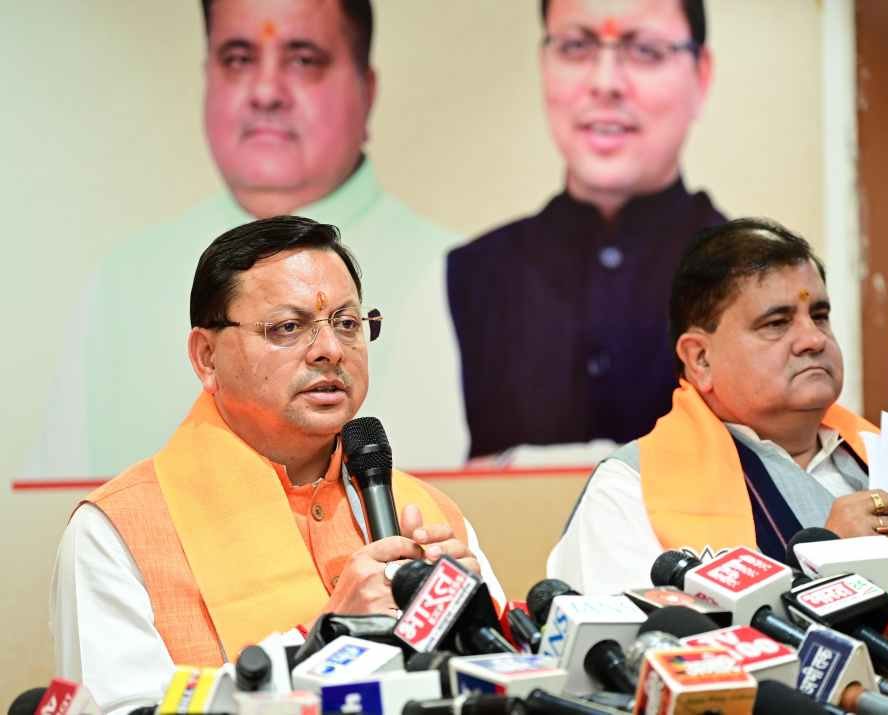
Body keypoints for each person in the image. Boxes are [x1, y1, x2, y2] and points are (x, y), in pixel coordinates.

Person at [50, 216, 503, 714]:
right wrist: (326, 643)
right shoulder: (119, 532)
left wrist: (471, 631)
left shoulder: (426, 512)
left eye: (347, 323)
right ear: (206, 357)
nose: (330, 350)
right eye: (288, 327)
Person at [23, 0, 465, 482]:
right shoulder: (120, 281)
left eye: (303, 60)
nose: (266, 93)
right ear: (205, 356)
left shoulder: (466, 277)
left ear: (368, 89)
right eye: (237, 59)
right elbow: (45, 505)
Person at [547, 218, 888, 594]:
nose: (812, 339)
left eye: (819, 315)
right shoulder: (631, 487)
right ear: (700, 359)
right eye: (777, 323)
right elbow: (636, 657)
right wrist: (823, 563)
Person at [448, 0, 724, 460]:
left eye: (646, 50)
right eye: (576, 46)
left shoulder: (748, 277)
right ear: (544, 64)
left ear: (702, 74)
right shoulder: (475, 274)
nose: (605, 83)